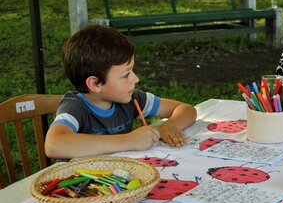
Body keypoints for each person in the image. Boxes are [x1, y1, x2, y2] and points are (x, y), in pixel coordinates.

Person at [45, 25, 197, 159]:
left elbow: (186, 110)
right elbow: (53, 145)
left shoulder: (132, 99)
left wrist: (171, 125)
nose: (136, 79)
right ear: (95, 83)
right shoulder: (75, 107)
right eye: (126, 75)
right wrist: (128, 141)